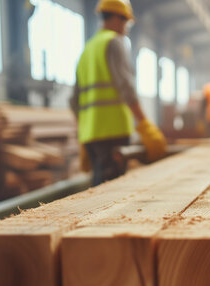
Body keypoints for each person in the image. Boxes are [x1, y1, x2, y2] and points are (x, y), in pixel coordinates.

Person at [70, 0, 166, 186]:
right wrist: (144, 124)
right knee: (111, 191)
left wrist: (83, 134)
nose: (126, 27)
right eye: (126, 21)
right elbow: (126, 88)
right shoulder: (113, 42)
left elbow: (74, 101)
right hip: (112, 132)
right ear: (115, 18)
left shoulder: (87, 49)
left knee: (98, 186)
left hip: (91, 135)